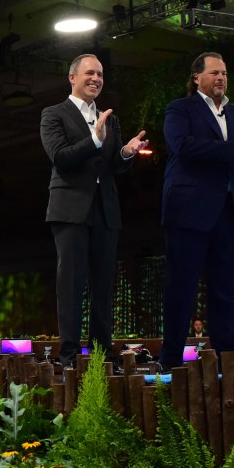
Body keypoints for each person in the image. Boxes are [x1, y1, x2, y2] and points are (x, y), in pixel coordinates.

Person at [159, 52, 234, 369]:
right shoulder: (180, 109)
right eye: (214, 73)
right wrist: (233, 147)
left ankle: (227, 356)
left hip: (230, 210)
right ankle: (171, 359)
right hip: (189, 210)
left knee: (225, 288)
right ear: (197, 77)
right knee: (182, 287)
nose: (221, 78)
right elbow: (182, 147)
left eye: (224, 73)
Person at [40, 53, 148, 368]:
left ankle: (102, 354)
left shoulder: (109, 118)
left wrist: (126, 152)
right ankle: (70, 356)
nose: (96, 79)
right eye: (89, 73)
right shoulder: (53, 114)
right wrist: (94, 140)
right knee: (71, 284)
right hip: (70, 209)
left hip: (105, 209)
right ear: (72, 77)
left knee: (103, 285)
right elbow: (60, 157)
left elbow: (113, 165)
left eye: (100, 74)